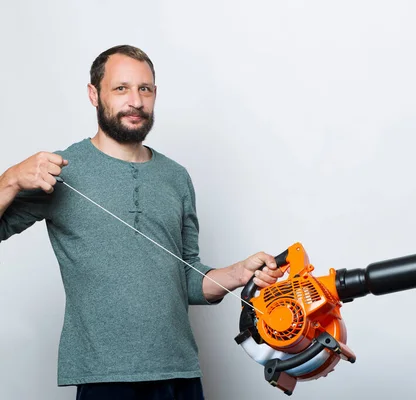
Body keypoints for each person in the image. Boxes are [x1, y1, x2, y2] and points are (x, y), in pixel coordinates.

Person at [0, 45, 283, 400]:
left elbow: (187, 278)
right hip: (105, 378)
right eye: (121, 88)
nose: (135, 100)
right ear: (94, 94)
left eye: (144, 89)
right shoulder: (57, 170)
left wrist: (237, 273)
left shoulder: (176, 177)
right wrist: (10, 179)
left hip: (180, 372)